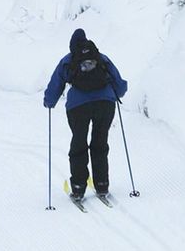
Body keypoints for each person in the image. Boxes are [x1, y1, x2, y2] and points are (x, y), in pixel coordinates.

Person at [43, 28, 128, 200]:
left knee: (79, 144)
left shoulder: (68, 60)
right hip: (105, 104)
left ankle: (78, 187)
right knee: (100, 143)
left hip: (78, 107)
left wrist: (49, 102)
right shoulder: (101, 58)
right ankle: (102, 185)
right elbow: (119, 85)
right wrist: (116, 93)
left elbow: (56, 83)